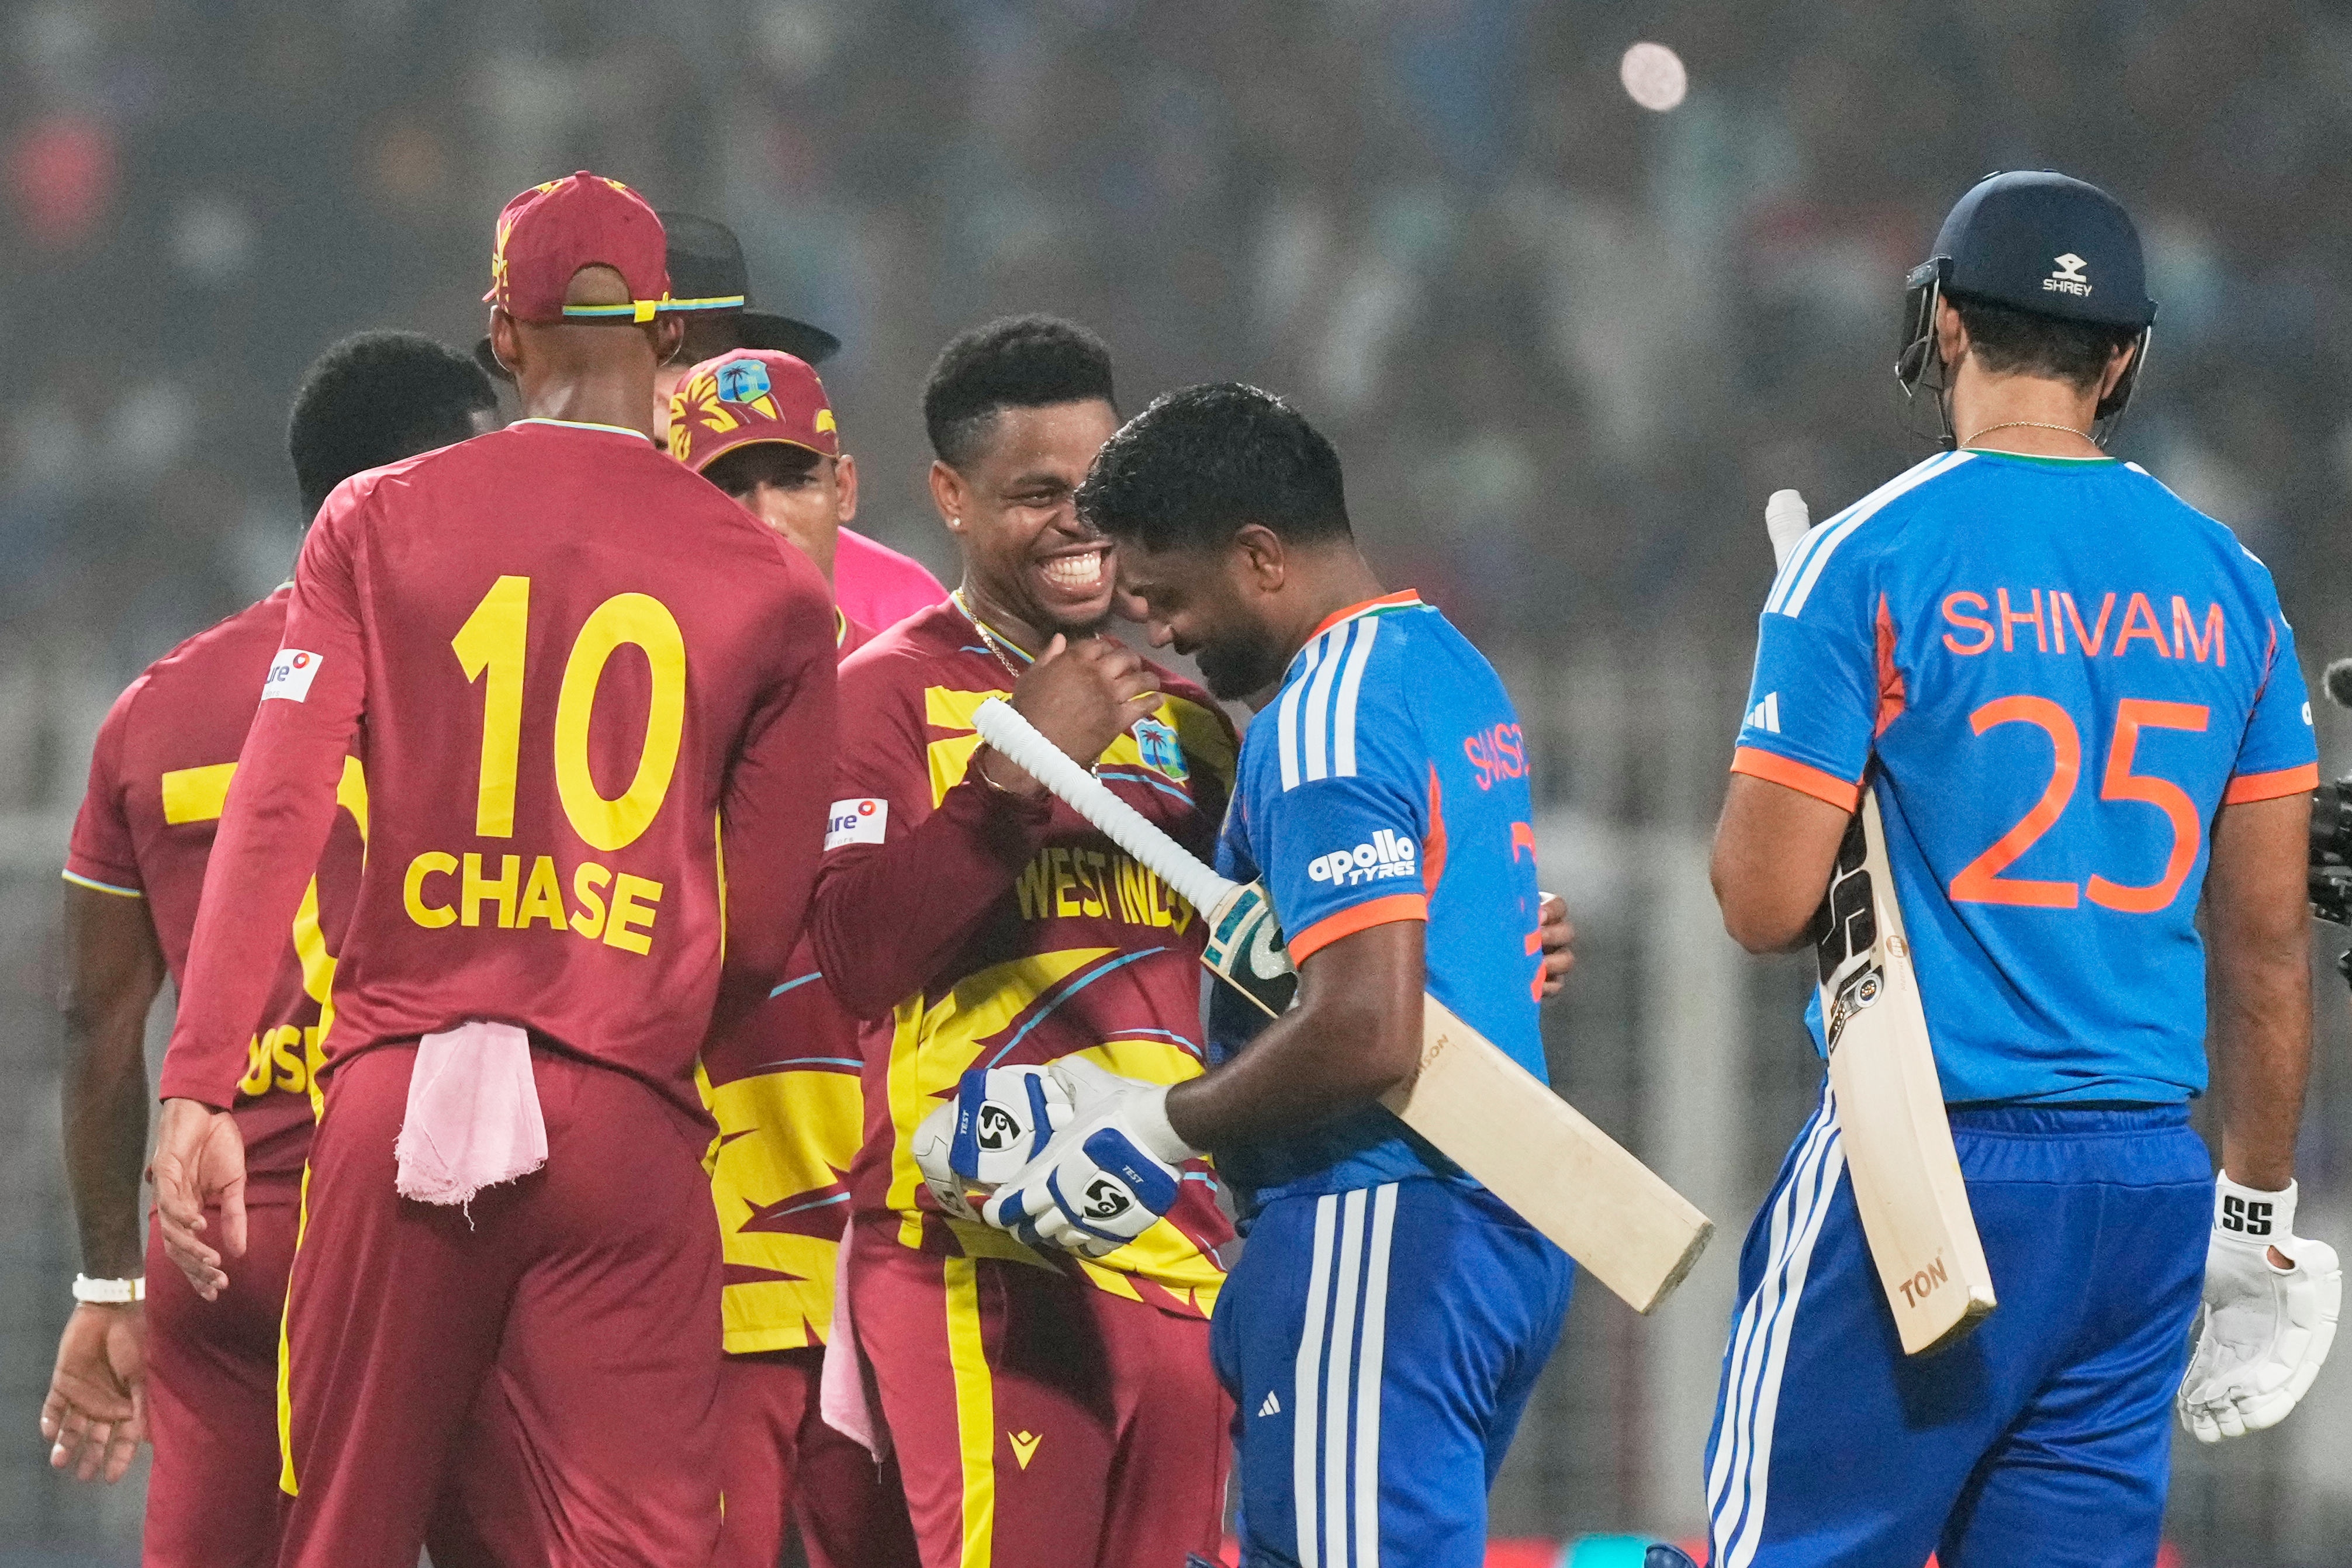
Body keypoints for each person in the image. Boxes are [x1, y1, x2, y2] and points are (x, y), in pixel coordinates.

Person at [147, 171, 838, 1568]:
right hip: (628, 1111)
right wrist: (618, 1016)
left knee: (343, 1525)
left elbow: (275, 810)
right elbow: (763, 935)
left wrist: (202, 1081)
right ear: (668, 339)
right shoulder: (773, 586)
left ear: (502, 338)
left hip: (396, 1103)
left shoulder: (372, 522)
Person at [1699, 171, 2339, 1567]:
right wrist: (2252, 1209)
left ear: (1937, 329)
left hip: (1921, 1165)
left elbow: (1758, 903)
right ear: (2124, 358)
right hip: (2137, 1192)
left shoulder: (1860, 561)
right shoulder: (2228, 581)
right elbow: (2263, 945)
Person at [982, 380, 1573, 1568]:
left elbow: (1367, 1027)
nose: (1159, 632)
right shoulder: (1443, 666)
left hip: (1377, 1215)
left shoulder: (1319, 719)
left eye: (1166, 596)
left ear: (1256, 556)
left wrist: (1157, 1123)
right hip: (1488, 1222)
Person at [40, 331, 494, 1568]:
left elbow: (92, 1022)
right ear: (419, 490)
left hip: (221, 1237)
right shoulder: (498, 695)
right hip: (433, 1222)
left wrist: (108, 1286)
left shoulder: (153, 709)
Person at [805, 316, 1237, 1568]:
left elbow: (1266, 971)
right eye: (1032, 495)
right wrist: (1013, 770)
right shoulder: (881, 699)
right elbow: (854, 958)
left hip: (1184, 1258)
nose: (1075, 525)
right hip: (983, 1253)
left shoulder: (1197, 726)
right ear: (948, 495)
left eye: (1094, 491)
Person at [666, 347, 921, 1568]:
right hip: (721, 1257)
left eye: (792, 480)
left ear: (847, 489)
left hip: (906, 1246)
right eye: (730, 487)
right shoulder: (628, 716)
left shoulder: (919, 692)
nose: (766, 516)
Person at [480, 207, 946, 634]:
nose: (680, 388)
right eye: (647, 354)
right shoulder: (525, 586)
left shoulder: (895, 603)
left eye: (702, 356)